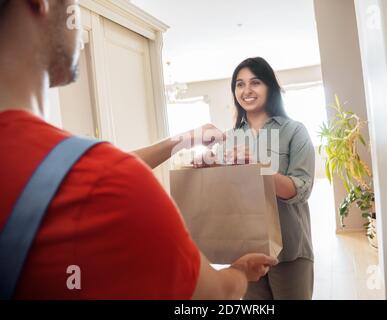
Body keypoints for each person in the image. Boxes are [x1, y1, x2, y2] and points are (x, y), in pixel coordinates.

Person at [0, 0, 277, 299]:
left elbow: (74, 175)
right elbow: (215, 296)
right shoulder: (112, 182)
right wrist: (239, 272)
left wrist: (183, 139)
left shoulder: (83, 176)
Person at [227, 57, 316, 299]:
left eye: (255, 82)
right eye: (239, 84)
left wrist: (259, 167)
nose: (246, 91)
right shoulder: (230, 138)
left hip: (289, 249)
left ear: (270, 87)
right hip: (244, 251)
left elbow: (301, 190)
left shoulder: (295, 131)